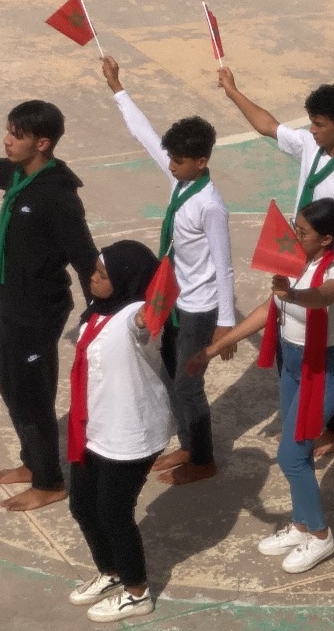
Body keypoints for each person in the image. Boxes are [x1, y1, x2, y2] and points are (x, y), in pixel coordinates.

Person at [188, 199, 334, 574]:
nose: (295, 236)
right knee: (297, 452)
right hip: (293, 365)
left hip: (325, 369)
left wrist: (291, 295)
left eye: (303, 232)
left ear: (326, 239)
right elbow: (270, 309)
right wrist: (214, 348)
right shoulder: (294, 263)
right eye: (295, 228)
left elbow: (323, 296)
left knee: (291, 456)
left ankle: (320, 535)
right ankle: (301, 524)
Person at [219, 69, 334, 457]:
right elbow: (267, 125)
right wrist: (233, 91)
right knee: (288, 334)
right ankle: (299, 416)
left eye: (319, 124)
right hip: (299, 260)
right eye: (311, 122)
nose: (312, 130)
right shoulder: (312, 145)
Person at [101, 57, 236, 485]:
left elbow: (224, 265)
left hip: (199, 306)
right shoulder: (181, 180)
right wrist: (118, 88)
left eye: (178, 160)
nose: (170, 164)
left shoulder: (210, 206)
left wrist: (226, 325)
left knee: (187, 383)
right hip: (173, 297)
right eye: (171, 158)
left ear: (201, 161)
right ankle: (189, 444)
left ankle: (204, 459)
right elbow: (145, 135)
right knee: (170, 373)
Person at [0, 101, 97, 511]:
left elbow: (85, 258)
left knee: (32, 396)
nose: (6, 140)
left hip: (38, 310)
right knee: (10, 384)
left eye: (16, 135)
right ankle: (33, 461)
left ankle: (49, 482)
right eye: (8, 131)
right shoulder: (19, 176)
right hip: (13, 303)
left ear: (42, 143)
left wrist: (98, 316)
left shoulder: (56, 195)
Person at [65, 240, 167, 623]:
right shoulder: (96, 312)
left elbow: (145, 319)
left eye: (102, 274)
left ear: (127, 279)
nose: (92, 278)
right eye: (94, 270)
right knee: (81, 505)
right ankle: (110, 572)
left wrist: (162, 292)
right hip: (94, 427)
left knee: (113, 512)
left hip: (129, 433)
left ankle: (137, 592)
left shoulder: (132, 316)